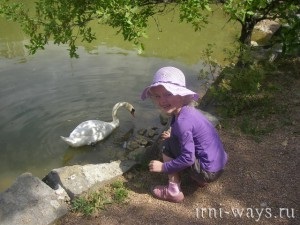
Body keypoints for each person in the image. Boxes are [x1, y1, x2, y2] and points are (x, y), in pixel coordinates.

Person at [140, 66, 228, 203]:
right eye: (157, 96)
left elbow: (188, 159)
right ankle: (199, 179)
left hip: (208, 172)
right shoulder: (188, 112)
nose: (162, 101)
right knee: (173, 139)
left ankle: (173, 191)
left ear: (182, 95)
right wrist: (173, 135)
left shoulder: (182, 122)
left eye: (168, 94)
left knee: (167, 145)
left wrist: (163, 167)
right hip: (219, 164)